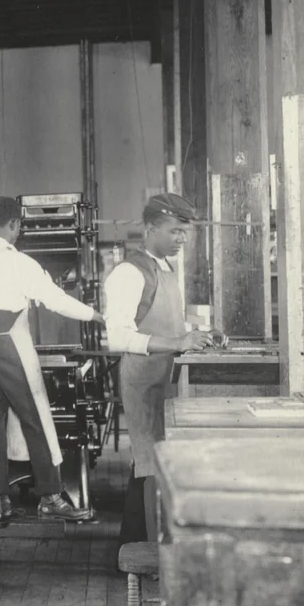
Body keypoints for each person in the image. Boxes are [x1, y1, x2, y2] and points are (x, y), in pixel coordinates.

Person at [0, 196, 105, 527]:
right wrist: (95, 315)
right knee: (35, 417)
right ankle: (51, 497)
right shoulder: (19, 263)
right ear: (15, 225)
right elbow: (57, 300)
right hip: (9, 345)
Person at [104, 192, 214, 544]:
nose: (181, 239)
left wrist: (198, 335)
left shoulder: (165, 267)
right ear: (151, 228)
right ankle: (142, 552)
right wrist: (178, 343)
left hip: (163, 375)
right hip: (142, 376)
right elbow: (119, 337)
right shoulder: (128, 272)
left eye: (185, 232)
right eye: (175, 231)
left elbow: (168, 324)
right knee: (149, 463)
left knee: (153, 463)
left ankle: (136, 547)